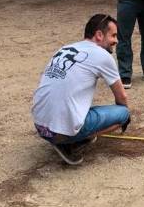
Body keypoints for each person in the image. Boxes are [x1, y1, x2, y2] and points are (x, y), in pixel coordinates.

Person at [32, 14, 130, 165]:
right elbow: (122, 97)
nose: (116, 41)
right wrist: (124, 119)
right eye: (113, 35)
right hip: (61, 133)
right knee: (123, 113)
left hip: (40, 126)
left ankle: (65, 134)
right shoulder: (102, 55)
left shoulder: (64, 48)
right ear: (99, 35)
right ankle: (73, 142)